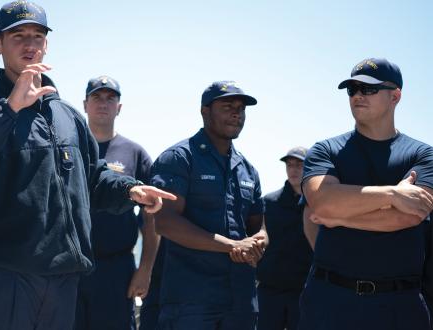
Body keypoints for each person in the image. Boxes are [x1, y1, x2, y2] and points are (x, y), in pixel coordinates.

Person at [0, 2, 175, 330]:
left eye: (38, 35)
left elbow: (91, 177)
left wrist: (130, 189)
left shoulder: (68, 116)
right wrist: (9, 109)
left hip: (60, 283)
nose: (30, 44)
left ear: (47, 44)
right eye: (18, 36)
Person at [300, 58, 433, 330]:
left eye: (369, 89)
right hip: (329, 301)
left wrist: (340, 217)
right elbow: (323, 204)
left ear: (395, 96)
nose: (358, 95)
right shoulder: (325, 150)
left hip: (399, 305)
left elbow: (409, 217)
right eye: (352, 89)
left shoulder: (423, 154)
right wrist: (393, 194)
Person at [150, 81, 268, 330]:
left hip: (241, 301)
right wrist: (232, 246)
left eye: (241, 108)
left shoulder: (248, 170)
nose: (237, 113)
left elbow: (260, 228)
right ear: (205, 111)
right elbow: (166, 222)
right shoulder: (179, 158)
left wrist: (258, 243)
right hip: (191, 301)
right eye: (227, 106)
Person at [74, 76, 160, 330]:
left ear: (119, 107)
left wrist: (145, 268)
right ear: (85, 104)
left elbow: (152, 217)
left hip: (116, 269)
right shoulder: (69, 148)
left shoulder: (135, 153)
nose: (103, 103)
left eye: (110, 98)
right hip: (70, 266)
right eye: (97, 97)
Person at [256, 146, 313, 330]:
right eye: (290, 165)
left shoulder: (317, 203)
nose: (294, 169)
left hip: (304, 290)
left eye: (299, 164)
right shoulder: (269, 202)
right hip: (270, 290)